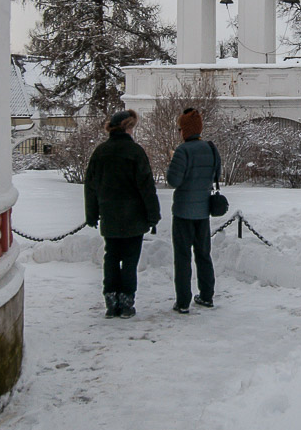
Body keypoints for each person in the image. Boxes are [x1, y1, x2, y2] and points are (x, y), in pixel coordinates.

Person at [84, 109, 161, 319]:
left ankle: (111, 302)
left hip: (109, 214)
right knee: (129, 260)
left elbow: (90, 185)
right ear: (127, 127)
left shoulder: (100, 152)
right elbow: (146, 186)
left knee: (111, 257)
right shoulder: (135, 152)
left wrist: (91, 213)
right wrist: (153, 214)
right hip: (134, 217)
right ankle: (127, 303)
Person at [166, 107, 221, 314]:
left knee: (182, 257)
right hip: (203, 211)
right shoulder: (211, 148)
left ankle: (182, 301)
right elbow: (216, 174)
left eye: (180, 128)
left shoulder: (182, 151)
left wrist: (172, 162)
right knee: (203, 254)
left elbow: (173, 180)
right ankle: (206, 295)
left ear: (185, 130)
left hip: (182, 212)